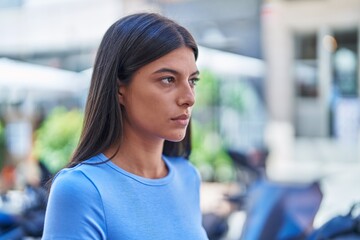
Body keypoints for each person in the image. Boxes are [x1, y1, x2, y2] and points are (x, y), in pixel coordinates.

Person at [42, 12, 209, 239]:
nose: (189, 97)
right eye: (168, 79)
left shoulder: (188, 177)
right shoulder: (81, 190)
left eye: (192, 81)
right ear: (120, 88)